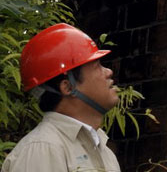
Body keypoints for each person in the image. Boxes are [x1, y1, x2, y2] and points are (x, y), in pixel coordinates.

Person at [2, 23, 121, 172]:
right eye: (97, 66)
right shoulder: (43, 149)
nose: (109, 72)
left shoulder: (104, 152)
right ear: (68, 87)